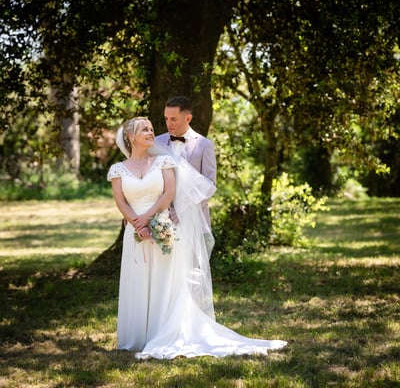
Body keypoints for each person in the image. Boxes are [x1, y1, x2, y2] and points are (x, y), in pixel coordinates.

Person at [107, 116, 287, 359]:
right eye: (144, 130)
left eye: (151, 128)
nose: (151, 133)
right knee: (138, 280)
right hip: (135, 232)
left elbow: (168, 193)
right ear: (131, 137)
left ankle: (162, 332)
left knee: (164, 281)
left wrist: (148, 219)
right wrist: (136, 223)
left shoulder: (163, 162)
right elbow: (121, 201)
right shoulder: (118, 170)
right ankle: (138, 336)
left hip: (161, 225)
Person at [156, 96, 216, 227]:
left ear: (188, 118)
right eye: (166, 118)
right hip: (161, 219)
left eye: (173, 119)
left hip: (194, 221)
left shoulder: (204, 145)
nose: (169, 123)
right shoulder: (156, 142)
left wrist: (182, 210)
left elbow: (209, 186)